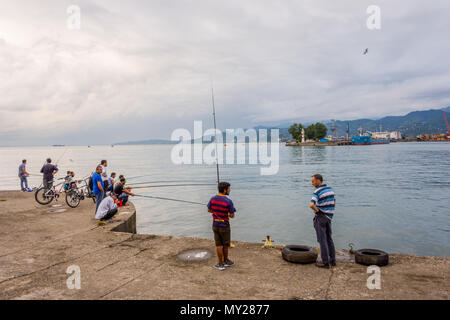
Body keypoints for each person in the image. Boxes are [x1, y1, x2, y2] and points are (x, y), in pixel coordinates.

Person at [207, 181, 236, 271]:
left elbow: (209, 210)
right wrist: (227, 214)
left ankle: (220, 264)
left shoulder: (212, 198)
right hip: (224, 226)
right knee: (225, 245)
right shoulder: (229, 201)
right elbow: (232, 216)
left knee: (218, 245)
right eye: (229, 189)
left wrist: (216, 212)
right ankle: (226, 261)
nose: (230, 191)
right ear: (224, 190)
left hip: (215, 224)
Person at [309, 174, 336, 268]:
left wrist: (318, 211)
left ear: (318, 181)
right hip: (329, 217)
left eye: (313, 181)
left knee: (322, 240)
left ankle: (325, 263)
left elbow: (311, 204)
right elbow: (334, 202)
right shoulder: (330, 190)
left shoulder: (317, 192)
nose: (312, 183)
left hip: (321, 217)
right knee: (329, 239)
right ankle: (333, 260)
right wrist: (330, 213)